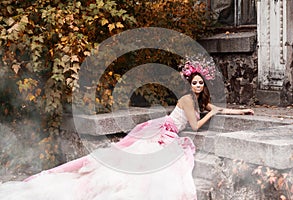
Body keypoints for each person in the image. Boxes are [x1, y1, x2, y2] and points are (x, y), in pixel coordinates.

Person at [0, 55, 254, 200]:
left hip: (168, 131)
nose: (197, 86)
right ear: (189, 84)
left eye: (200, 83)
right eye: (194, 82)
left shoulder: (200, 100)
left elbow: (214, 109)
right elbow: (196, 125)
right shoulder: (187, 100)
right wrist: (213, 114)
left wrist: (242, 110)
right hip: (164, 133)